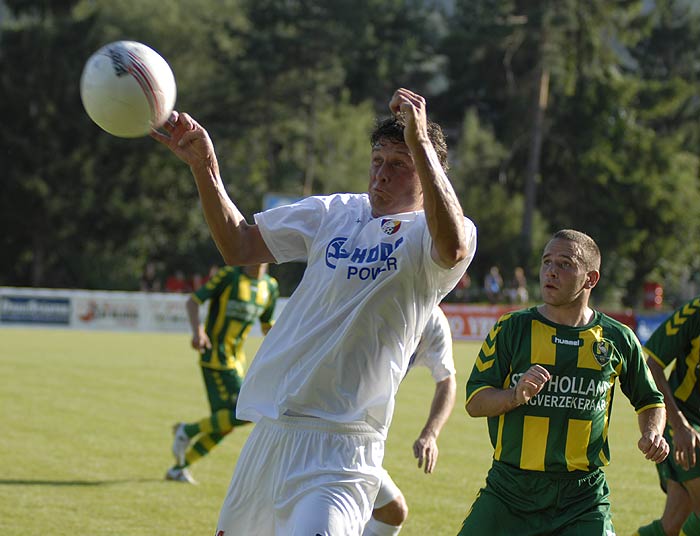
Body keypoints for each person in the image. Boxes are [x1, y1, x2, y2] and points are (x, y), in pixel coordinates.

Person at [151, 87, 476, 535]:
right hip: (272, 433)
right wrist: (205, 167)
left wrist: (420, 143)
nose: (381, 175)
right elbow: (239, 245)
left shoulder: (435, 234)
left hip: (344, 448)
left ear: (427, 170)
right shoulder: (334, 211)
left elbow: (452, 245)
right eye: (377, 161)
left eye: (399, 166)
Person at [458, 229, 669, 535]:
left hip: (582, 498)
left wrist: (652, 433)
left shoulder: (617, 337)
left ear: (590, 279)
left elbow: (651, 400)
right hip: (509, 492)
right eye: (546, 262)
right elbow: (475, 402)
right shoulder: (512, 328)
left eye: (565, 264)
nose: (551, 271)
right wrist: (515, 395)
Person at [166, 263, 279, 484]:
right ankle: (187, 430)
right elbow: (193, 301)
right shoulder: (229, 276)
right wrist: (198, 331)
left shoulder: (270, 287)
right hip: (214, 358)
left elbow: (266, 325)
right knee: (246, 413)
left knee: (225, 424)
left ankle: (179, 468)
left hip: (237, 362)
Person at [363, 305, 456, 536]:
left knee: (392, 511)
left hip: (362, 436)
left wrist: (430, 434)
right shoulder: (379, 298)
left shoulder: (433, 320)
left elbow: (447, 381)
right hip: (333, 429)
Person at [635, 296, 700, 536]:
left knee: (671, 525)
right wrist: (679, 425)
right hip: (685, 424)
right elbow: (653, 365)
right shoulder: (695, 312)